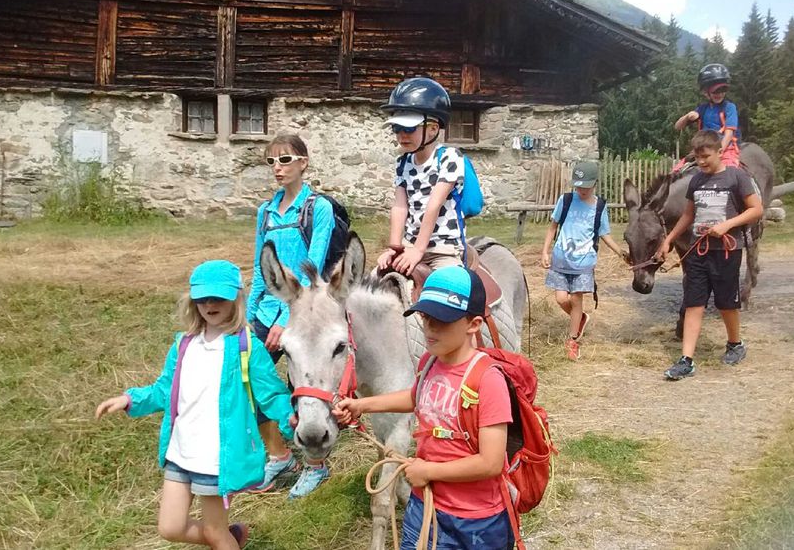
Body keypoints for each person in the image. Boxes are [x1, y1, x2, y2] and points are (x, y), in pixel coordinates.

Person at [95, 260, 293, 549]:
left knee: (214, 532)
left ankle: (225, 539)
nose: (210, 304)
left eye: (218, 297)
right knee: (170, 527)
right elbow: (164, 389)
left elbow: (272, 395)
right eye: (202, 298)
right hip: (180, 452)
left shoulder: (247, 346)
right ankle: (232, 538)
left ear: (236, 298)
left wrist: (294, 419)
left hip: (216, 459)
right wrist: (129, 399)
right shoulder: (183, 344)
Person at [333, 267, 515, 549]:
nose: (429, 329)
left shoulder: (488, 380)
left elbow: (490, 463)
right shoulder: (429, 363)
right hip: (425, 503)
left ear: (474, 324)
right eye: (425, 318)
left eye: (442, 321)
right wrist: (361, 405)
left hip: (474, 518)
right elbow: (417, 398)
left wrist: (429, 471)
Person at [247, 134, 335, 498]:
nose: (277, 168)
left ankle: (316, 466)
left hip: (302, 315)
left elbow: (312, 268)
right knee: (255, 383)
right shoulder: (265, 212)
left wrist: (286, 316)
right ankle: (279, 455)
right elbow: (258, 266)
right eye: (271, 162)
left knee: (304, 386)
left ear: (304, 163)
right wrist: (249, 312)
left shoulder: (318, 209)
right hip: (265, 312)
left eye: (284, 159)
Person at [657, 131, 764, 380]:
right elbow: (688, 215)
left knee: (726, 303)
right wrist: (669, 240)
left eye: (706, 156)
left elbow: (756, 209)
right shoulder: (696, 181)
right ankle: (687, 360)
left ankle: (735, 343)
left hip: (727, 250)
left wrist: (728, 225)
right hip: (698, 250)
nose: (702, 162)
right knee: (694, 303)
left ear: (718, 151)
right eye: (697, 157)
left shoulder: (736, 177)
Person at [376, 77, 468, 275]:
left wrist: (419, 249)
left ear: (433, 128)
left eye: (409, 128)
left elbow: (433, 205)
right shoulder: (403, 163)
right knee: (371, 285)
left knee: (452, 286)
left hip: (442, 247)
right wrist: (395, 246)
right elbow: (400, 206)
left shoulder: (449, 158)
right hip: (408, 245)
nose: (402, 135)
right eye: (396, 128)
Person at [539, 160, 629, 360]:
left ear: (594, 183)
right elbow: (553, 227)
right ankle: (580, 319)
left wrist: (620, 253)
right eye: (578, 186)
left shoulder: (599, 206)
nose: (582, 190)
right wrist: (545, 251)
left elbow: (604, 234)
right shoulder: (566, 200)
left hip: (584, 262)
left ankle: (572, 341)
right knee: (561, 299)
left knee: (576, 298)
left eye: (586, 186)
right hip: (561, 259)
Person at [674, 63, 741, 168]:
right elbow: (677, 127)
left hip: (725, 148)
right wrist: (687, 117)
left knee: (731, 173)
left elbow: (729, 135)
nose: (719, 94)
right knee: (676, 171)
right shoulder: (702, 109)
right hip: (702, 150)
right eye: (715, 91)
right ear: (706, 92)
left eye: (723, 90)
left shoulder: (729, 107)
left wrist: (718, 153)